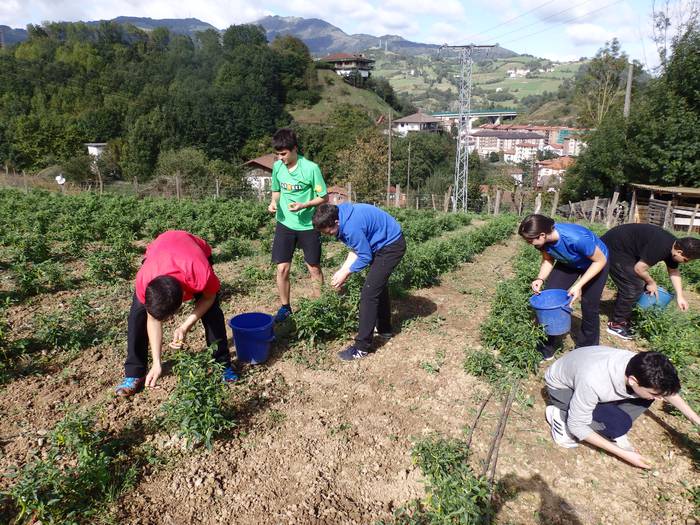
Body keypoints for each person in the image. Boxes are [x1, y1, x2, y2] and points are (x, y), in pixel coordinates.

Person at [115, 230, 237, 397]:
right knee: (137, 316)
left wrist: (185, 326)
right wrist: (157, 363)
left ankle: (223, 365)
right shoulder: (144, 280)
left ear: (183, 299)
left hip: (193, 251)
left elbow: (209, 298)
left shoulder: (200, 274)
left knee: (213, 313)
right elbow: (153, 319)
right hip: (159, 250)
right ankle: (134, 373)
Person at [544, 345, 700, 469]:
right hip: (563, 389)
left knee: (641, 402)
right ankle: (560, 415)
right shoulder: (594, 381)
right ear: (633, 380)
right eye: (656, 393)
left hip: (587, 379)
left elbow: (663, 391)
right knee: (612, 426)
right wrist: (624, 454)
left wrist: (696, 420)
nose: (660, 399)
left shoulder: (640, 365)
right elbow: (577, 425)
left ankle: (606, 418)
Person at [312, 203, 406, 361]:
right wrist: (343, 270)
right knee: (377, 286)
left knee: (369, 294)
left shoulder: (350, 226)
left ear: (336, 222)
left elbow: (364, 255)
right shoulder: (340, 216)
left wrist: (346, 273)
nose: (328, 235)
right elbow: (355, 248)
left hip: (391, 245)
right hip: (382, 243)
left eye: (329, 232)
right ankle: (385, 329)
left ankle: (362, 347)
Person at [518, 214, 608, 360]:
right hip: (569, 262)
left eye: (530, 240)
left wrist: (579, 285)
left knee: (589, 305)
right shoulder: (542, 241)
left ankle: (587, 349)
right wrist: (540, 279)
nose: (529, 243)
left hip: (595, 263)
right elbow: (548, 259)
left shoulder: (576, 238)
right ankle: (547, 346)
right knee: (550, 299)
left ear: (542, 234)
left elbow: (599, 261)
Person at [268, 128, 328, 323]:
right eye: (277, 154)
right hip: (285, 224)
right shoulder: (278, 167)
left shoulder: (311, 168)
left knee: (313, 267)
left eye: (284, 154)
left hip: (308, 225)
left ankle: (320, 305)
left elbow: (323, 197)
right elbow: (276, 190)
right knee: (282, 269)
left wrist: (305, 204)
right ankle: (285, 308)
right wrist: (274, 202)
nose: (280, 158)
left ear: (295, 149)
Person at [601, 224, 700, 340]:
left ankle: (622, 310)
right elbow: (639, 268)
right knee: (634, 286)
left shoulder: (673, 248)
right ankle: (616, 324)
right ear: (679, 251)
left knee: (636, 283)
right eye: (685, 260)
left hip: (626, 249)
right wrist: (651, 282)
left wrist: (680, 296)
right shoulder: (661, 247)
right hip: (614, 247)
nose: (685, 263)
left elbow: (673, 271)